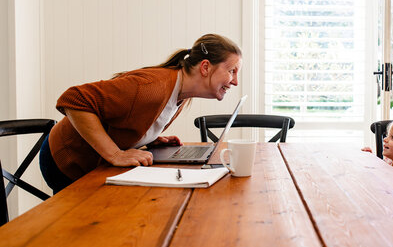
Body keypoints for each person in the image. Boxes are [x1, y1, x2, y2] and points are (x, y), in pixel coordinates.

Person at [39, 33, 242, 194]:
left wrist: (147, 136)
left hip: (94, 167)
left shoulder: (181, 92)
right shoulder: (150, 87)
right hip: (64, 161)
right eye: (232, 71)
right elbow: (74, 99)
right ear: (205, 67)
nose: (235, 81)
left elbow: (122, 119)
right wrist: (116, 154)